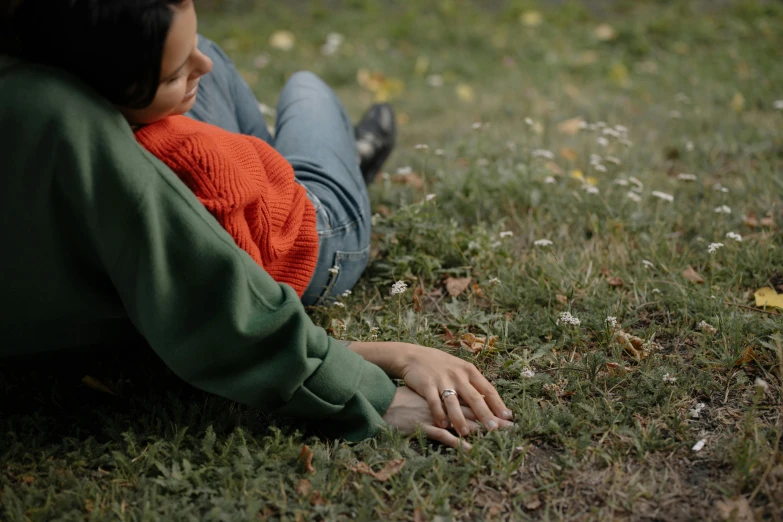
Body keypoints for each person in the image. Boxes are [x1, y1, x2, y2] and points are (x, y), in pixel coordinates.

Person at [0, 0, 514, 450]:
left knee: (216, 60)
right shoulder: (115, 167)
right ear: (115, 93)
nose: (193, 64)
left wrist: (184, 81)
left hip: (247, 181)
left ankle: (269, 151)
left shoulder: (56, 68)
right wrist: (383, 380)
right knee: (307, 89)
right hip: (318, 231)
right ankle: (348, 168)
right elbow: (231, 300)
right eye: (175, 74)